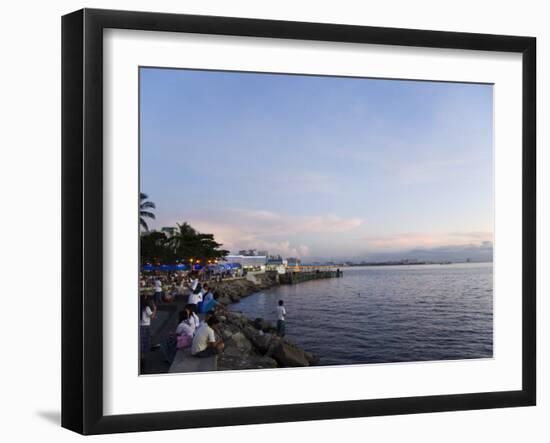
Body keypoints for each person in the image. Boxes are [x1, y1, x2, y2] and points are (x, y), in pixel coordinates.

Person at [140, 296, 157, 370]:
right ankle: (142, 361)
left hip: (140, 326)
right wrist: (155, 309)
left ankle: (141, 359)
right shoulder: (147, 308)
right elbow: (152, 316)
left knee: (141, 343)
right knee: (144, 344)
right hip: (145, 327)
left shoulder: (140, 307)